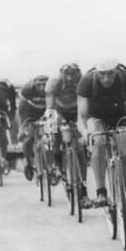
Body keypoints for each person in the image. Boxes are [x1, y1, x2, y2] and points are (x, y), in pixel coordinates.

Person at [78, 58, 126, 209]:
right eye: (102, 74)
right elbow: (82, 115)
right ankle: (101, 192)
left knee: (124, 153)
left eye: (110, 74)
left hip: (120, 116)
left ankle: (125, 195)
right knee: (99, 141)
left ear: (117, 71)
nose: (106, 79)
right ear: (96, 72)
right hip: (95, 116)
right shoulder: (87, 81)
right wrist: (85, 131)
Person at [45, 63, 89, 205]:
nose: (70, 78)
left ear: (78, 74)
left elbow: (87, 105)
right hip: (60, 112)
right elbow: (50, 108)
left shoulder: (82, 81)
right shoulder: (54, 83)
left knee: (80, 150)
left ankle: (83, 190)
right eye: (67, 75)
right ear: (61, 74)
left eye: (73, 74)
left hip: (77, 111)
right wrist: (50, 130)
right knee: (55, 136)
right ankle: (58, 166)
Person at [17, 74, 49, 180]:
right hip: (29, 112)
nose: (42, 88)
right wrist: (23, 127)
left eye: (45, 85)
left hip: (45, 111)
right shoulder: (27, 90)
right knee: (29, 137)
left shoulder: (51, 88)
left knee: (53, 133)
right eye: (40, 85)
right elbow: (22, 110)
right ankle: (28, 163)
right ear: (35, 85)